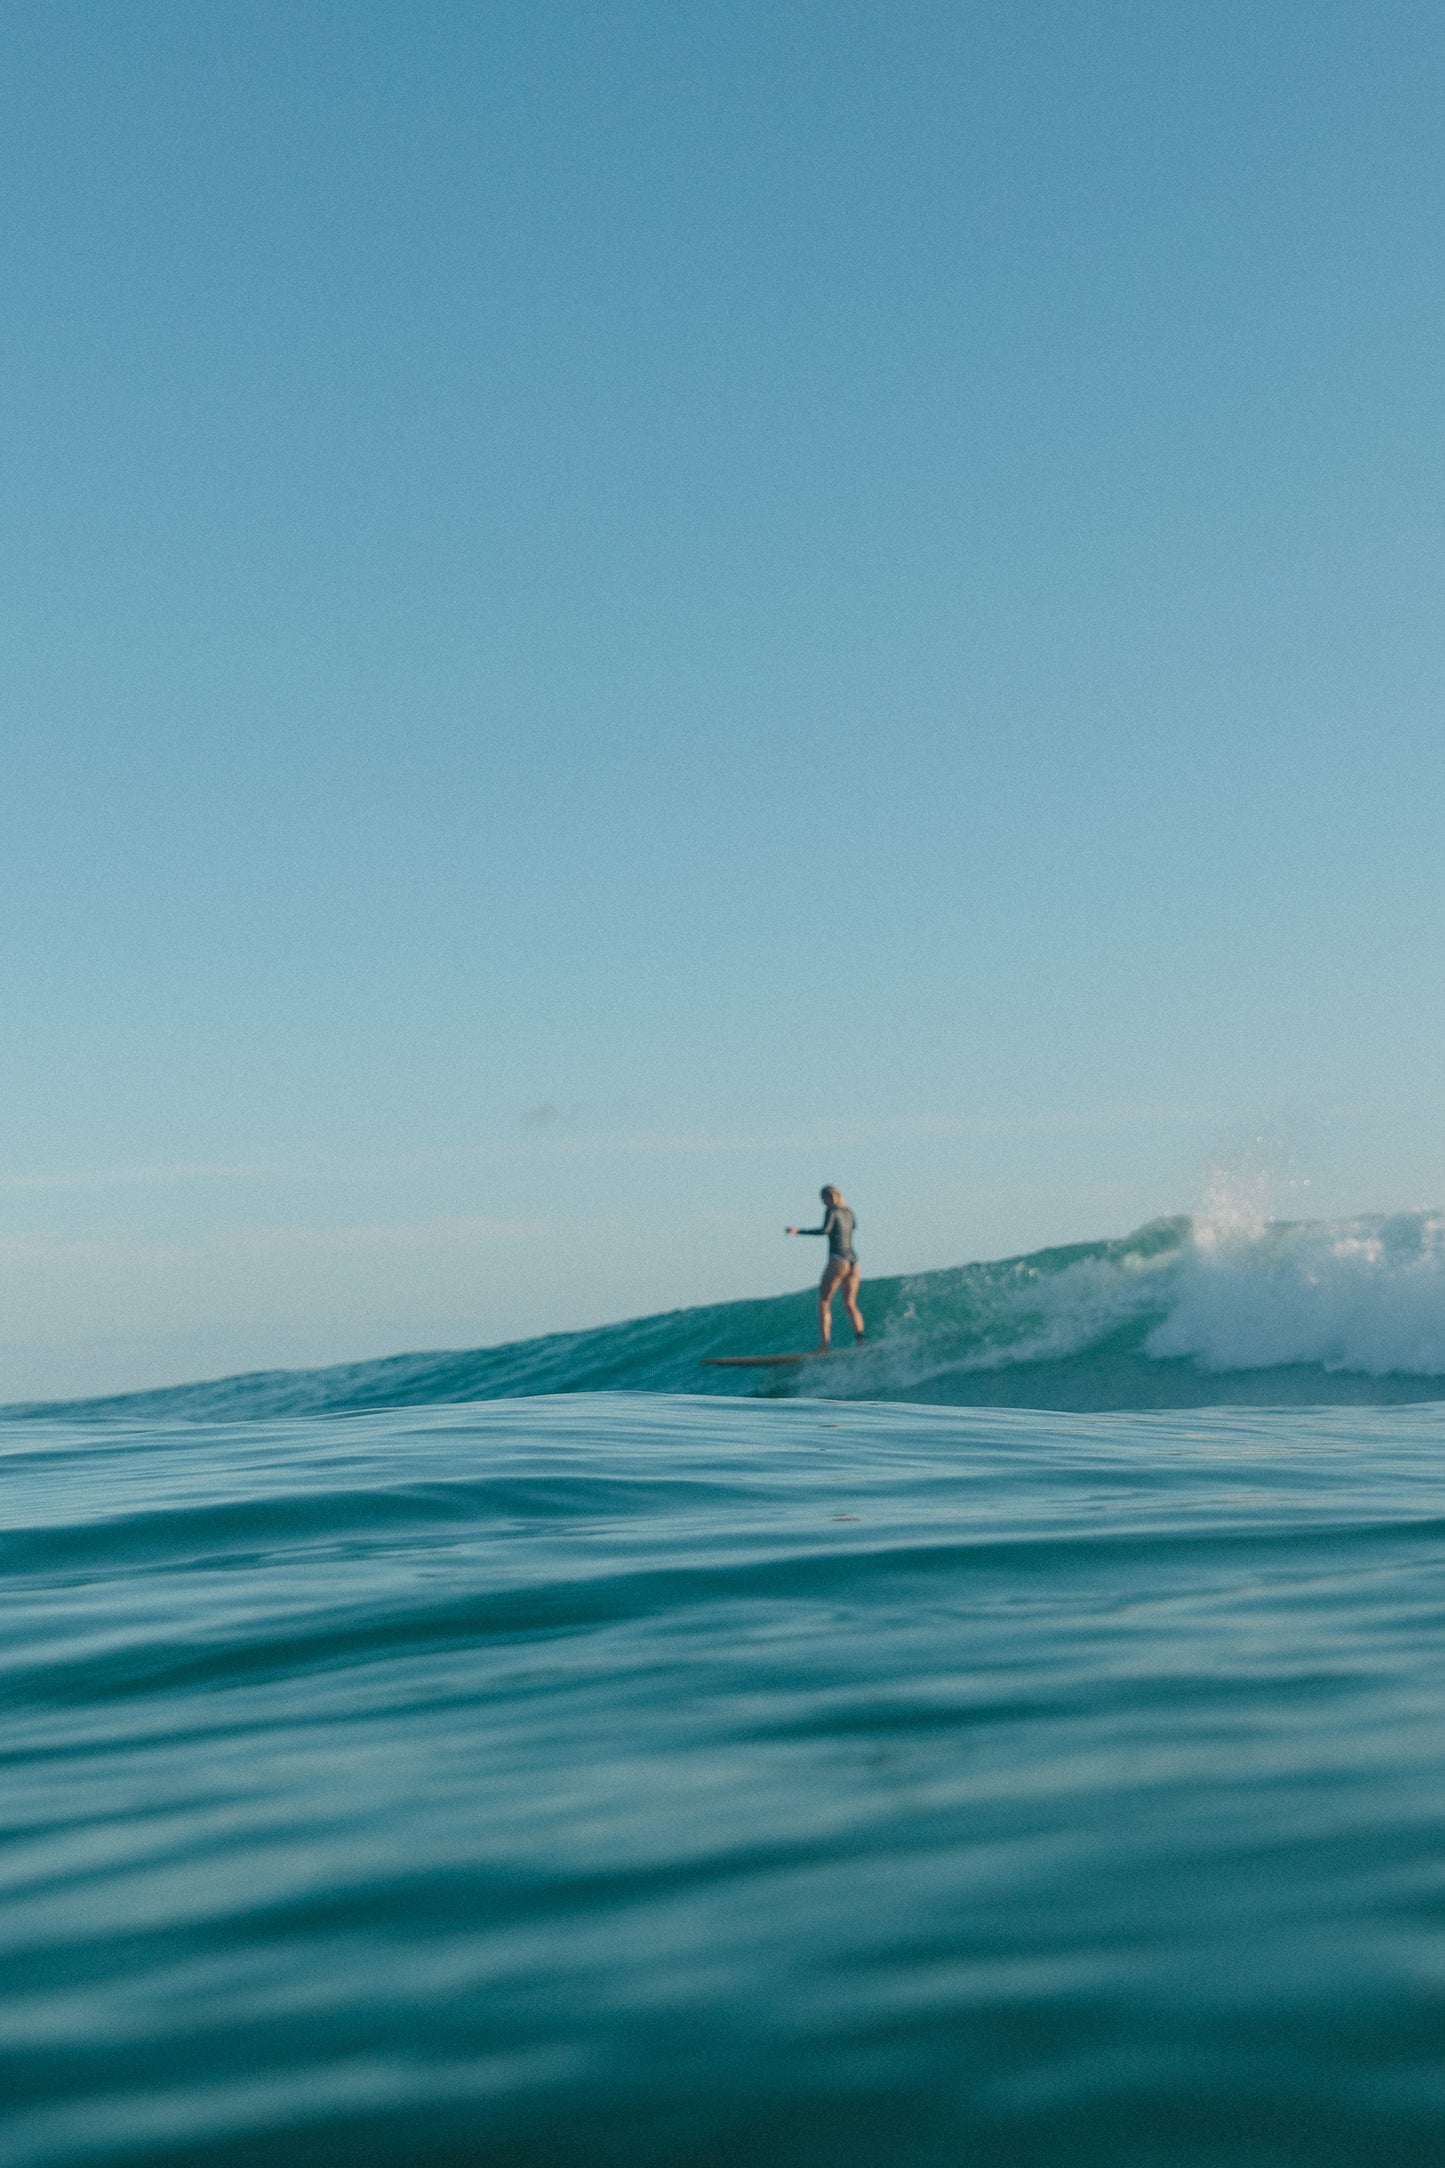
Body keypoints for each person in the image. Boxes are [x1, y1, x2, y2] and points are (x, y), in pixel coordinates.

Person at [786, 1186, 865, 1349]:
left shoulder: (832, 1211)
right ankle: (861, 1341)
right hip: (854, 1261)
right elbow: (852, 1228)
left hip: (838, 1259)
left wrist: (798, 1232)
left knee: (824, 1300)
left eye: (823, 1198)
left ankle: (825, 1345)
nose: (822, 1202)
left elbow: (825, 1230)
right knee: (850, 1303)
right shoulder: (849, 1212)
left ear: (829, 1197)